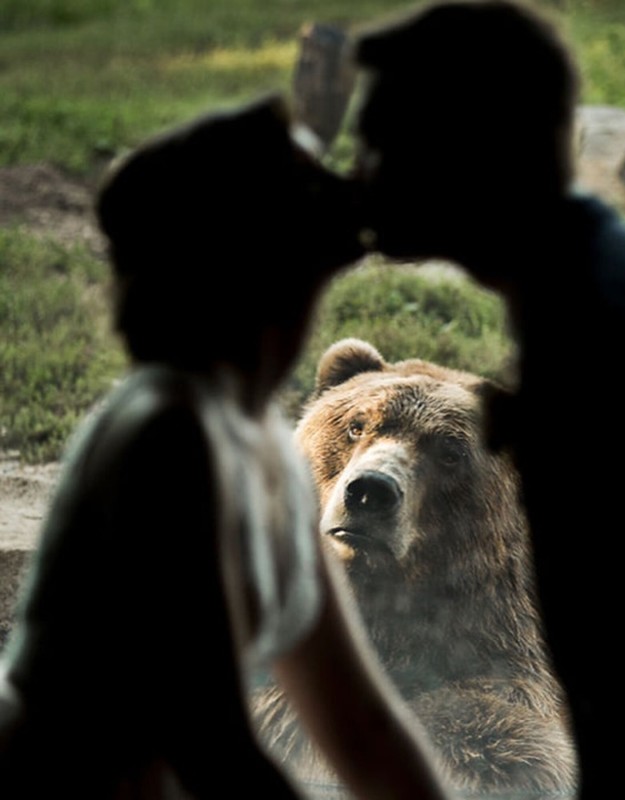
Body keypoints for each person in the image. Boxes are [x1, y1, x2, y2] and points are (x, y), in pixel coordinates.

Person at [350, 1, 625, 797]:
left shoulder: (596, 333)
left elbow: (615, 666)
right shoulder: (593, 287)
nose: (360, 176)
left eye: (381, 147)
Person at [0, 93, 454, 800]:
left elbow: (363, 729)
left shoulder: (266, 445)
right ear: (252, 257)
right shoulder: (167, 438)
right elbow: (209, 748)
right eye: (302, 186)